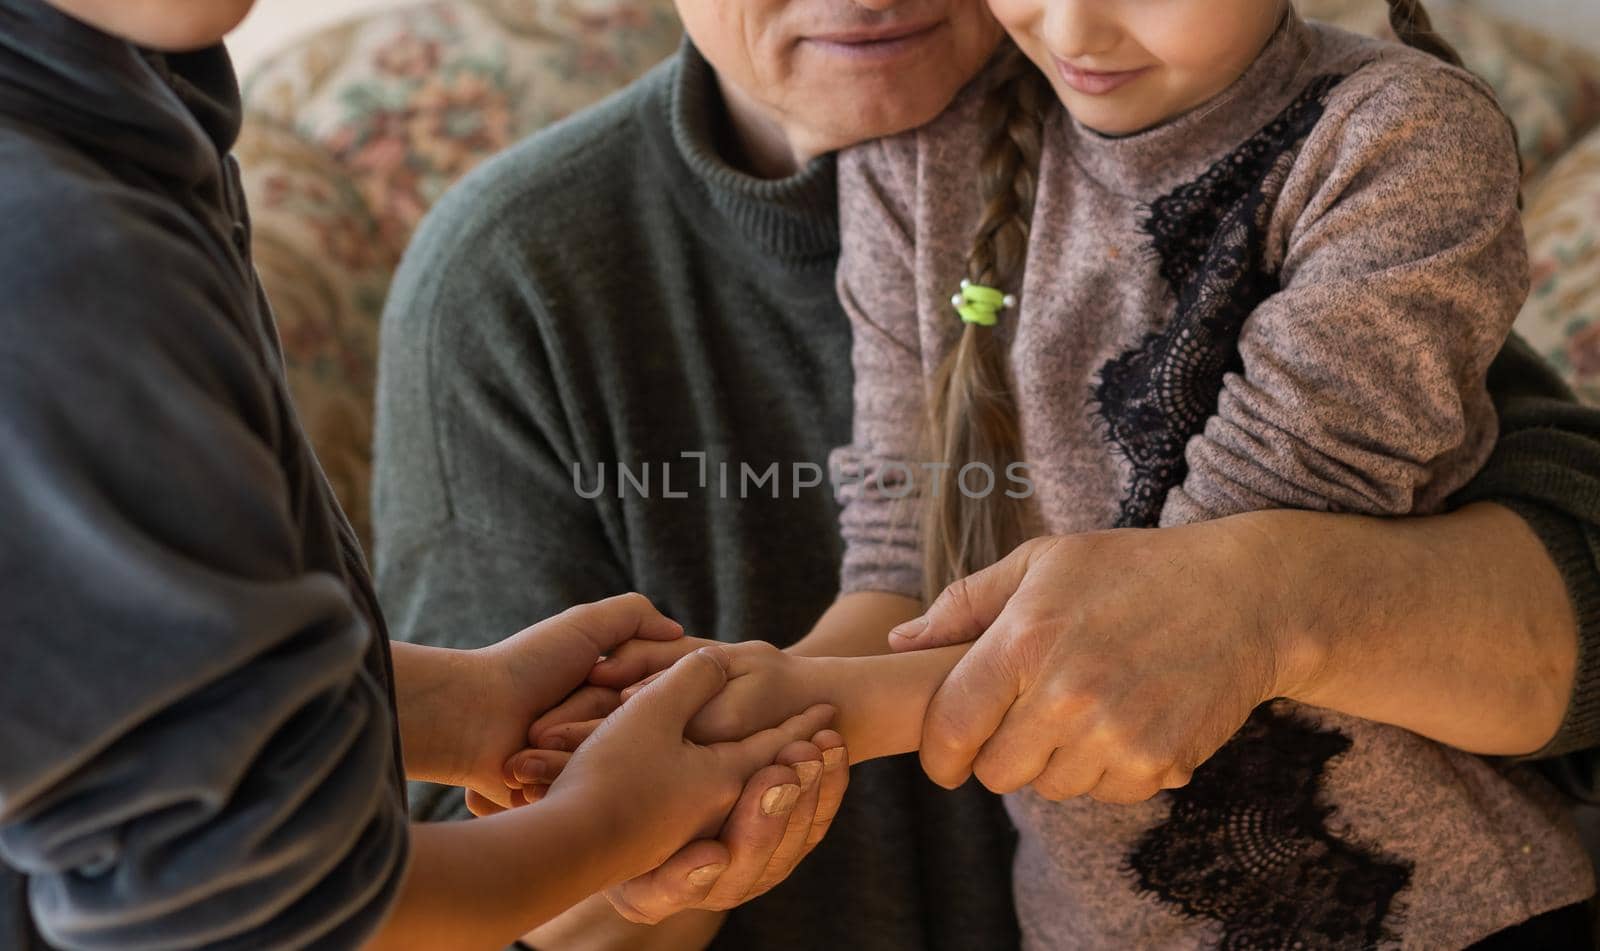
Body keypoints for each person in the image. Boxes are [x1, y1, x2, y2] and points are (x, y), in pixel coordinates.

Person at [375, 0, 1600, 948]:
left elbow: (1214, 607)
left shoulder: (1346, 150)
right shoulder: (518, 278)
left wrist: (751, 718)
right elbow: (472, 885)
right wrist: (685, 767)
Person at [0, 1, 848, 948]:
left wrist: (452, 707)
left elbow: (123, 673)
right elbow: (247, 912)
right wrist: (610, 823)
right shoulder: (55, 252)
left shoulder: (129, 97)